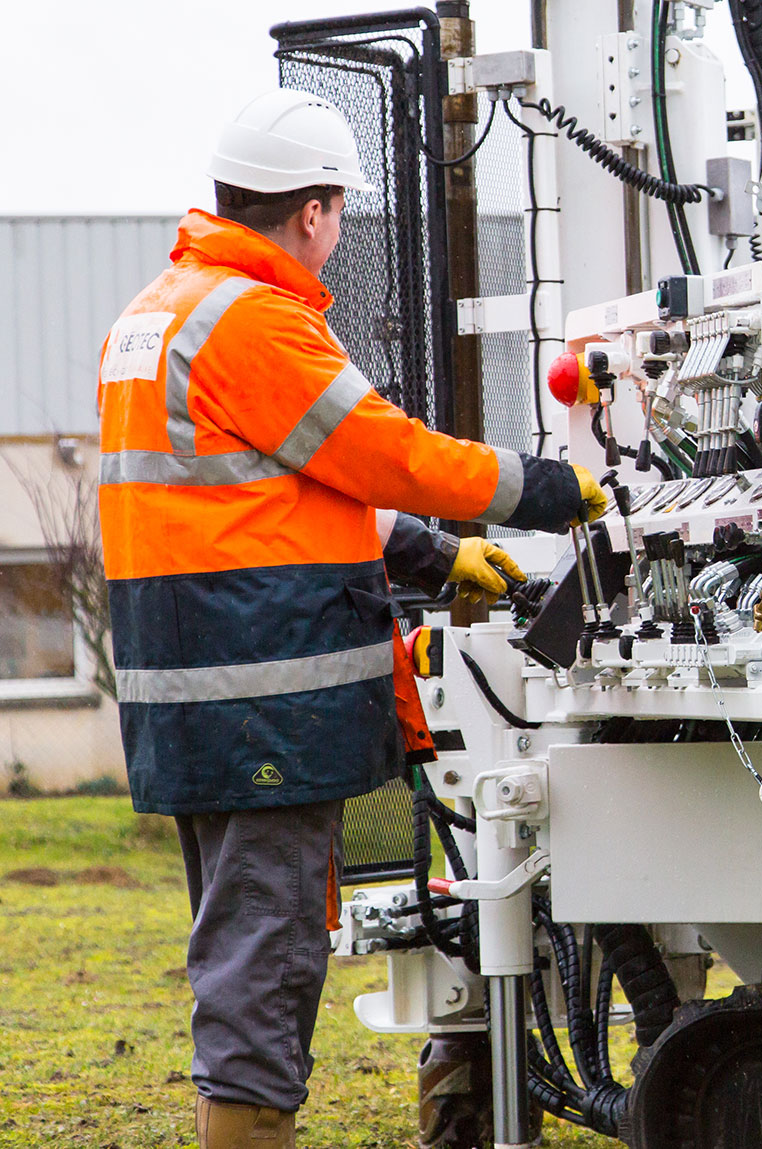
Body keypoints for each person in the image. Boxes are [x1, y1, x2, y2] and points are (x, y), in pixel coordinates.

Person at [96, 89, 606, 1149]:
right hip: (262, 705)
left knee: (245, 949)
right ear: (314, 210)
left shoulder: (162, 309)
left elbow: (269, 494)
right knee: (265, 961)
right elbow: (387, 453)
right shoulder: (253, 316)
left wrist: (430, 553)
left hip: (200, 696)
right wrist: (551, 489)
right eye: (337, 216)